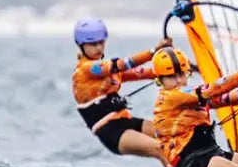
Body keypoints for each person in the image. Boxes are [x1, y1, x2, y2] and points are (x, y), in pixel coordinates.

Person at [71, 18, 170, 159]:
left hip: (126, 121)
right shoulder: (87, 69)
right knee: (160, 149)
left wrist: (176, 69)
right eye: (93, 44)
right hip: (111, 131)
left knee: (172, 134)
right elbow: (124, 64)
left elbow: (140, 73)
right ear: (80, 45)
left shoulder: (108, 72)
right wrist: (154, 51)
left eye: (101, 42)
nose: (99, 47)